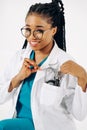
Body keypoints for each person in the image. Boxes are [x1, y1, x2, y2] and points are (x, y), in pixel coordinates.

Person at [0, 0, 87, 130]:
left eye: (39, 30)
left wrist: (83, 77)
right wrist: (18, 77)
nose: (32, 37)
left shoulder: (65, 64)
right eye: (28, 29)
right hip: (20, 123)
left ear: (53, 31)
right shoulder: (19, 58)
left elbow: (79, 115)